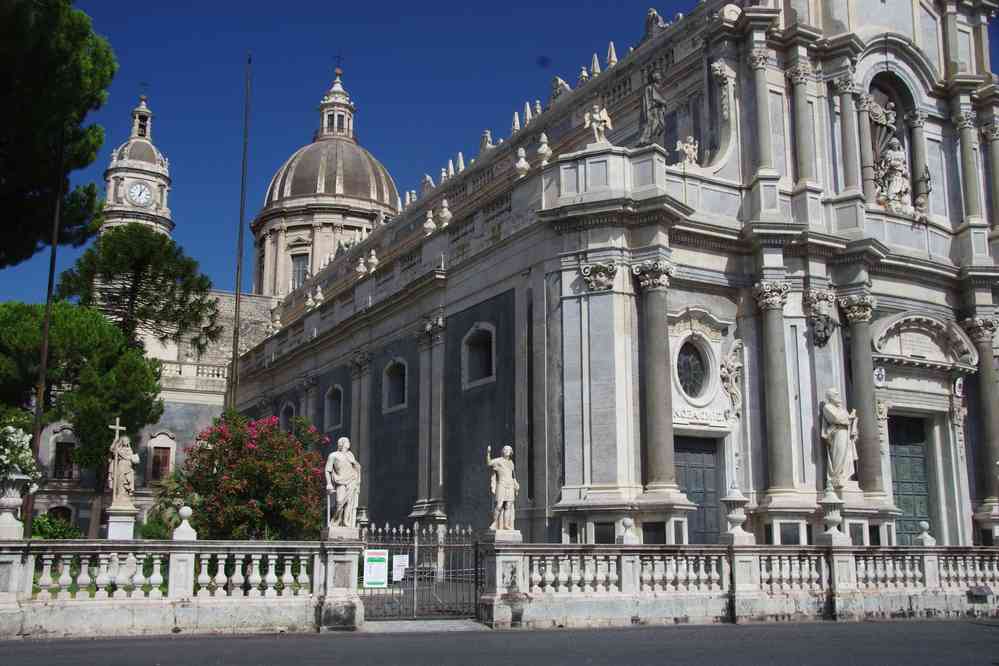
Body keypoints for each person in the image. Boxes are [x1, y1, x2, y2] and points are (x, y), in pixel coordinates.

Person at [820, 388, 859, 490]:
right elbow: (836, 418)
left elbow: (845, 419)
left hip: (845, 432)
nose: (838, 396)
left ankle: (844, 476)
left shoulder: (842, 408)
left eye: (838, 394)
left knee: (847, 456)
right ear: (830, 397)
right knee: (839, 454)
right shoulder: (827, 407)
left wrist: (852, 420)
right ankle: (836, 478)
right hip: (837, 433)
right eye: (835, 394)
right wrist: (849, 418)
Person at [325, 436, 361, 528]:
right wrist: (329, 483)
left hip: (351, 480)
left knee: (349, 502)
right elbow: (327, 470)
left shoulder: (350, 455)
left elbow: (357, 467)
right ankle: (336, 521)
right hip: (340, 481)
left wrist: (357, 469)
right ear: (342, 444)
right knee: (339, 501)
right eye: (348, 442)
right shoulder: (333, 455)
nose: (349, 443)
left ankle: (346, 521)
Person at [486, 445, 519, 530]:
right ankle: (494, 522)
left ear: (511, 452)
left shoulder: (511, 463)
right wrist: (488, 452)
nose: (507, 451)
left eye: (508, 449)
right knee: (499, 505)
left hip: (510, 485)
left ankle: (506, 525)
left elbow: (513, 476)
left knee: (508, 505)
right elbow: (489, 463)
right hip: (501, 484)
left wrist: (516, 484)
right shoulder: (498, 461)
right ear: (502, 451)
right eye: (505, 449)